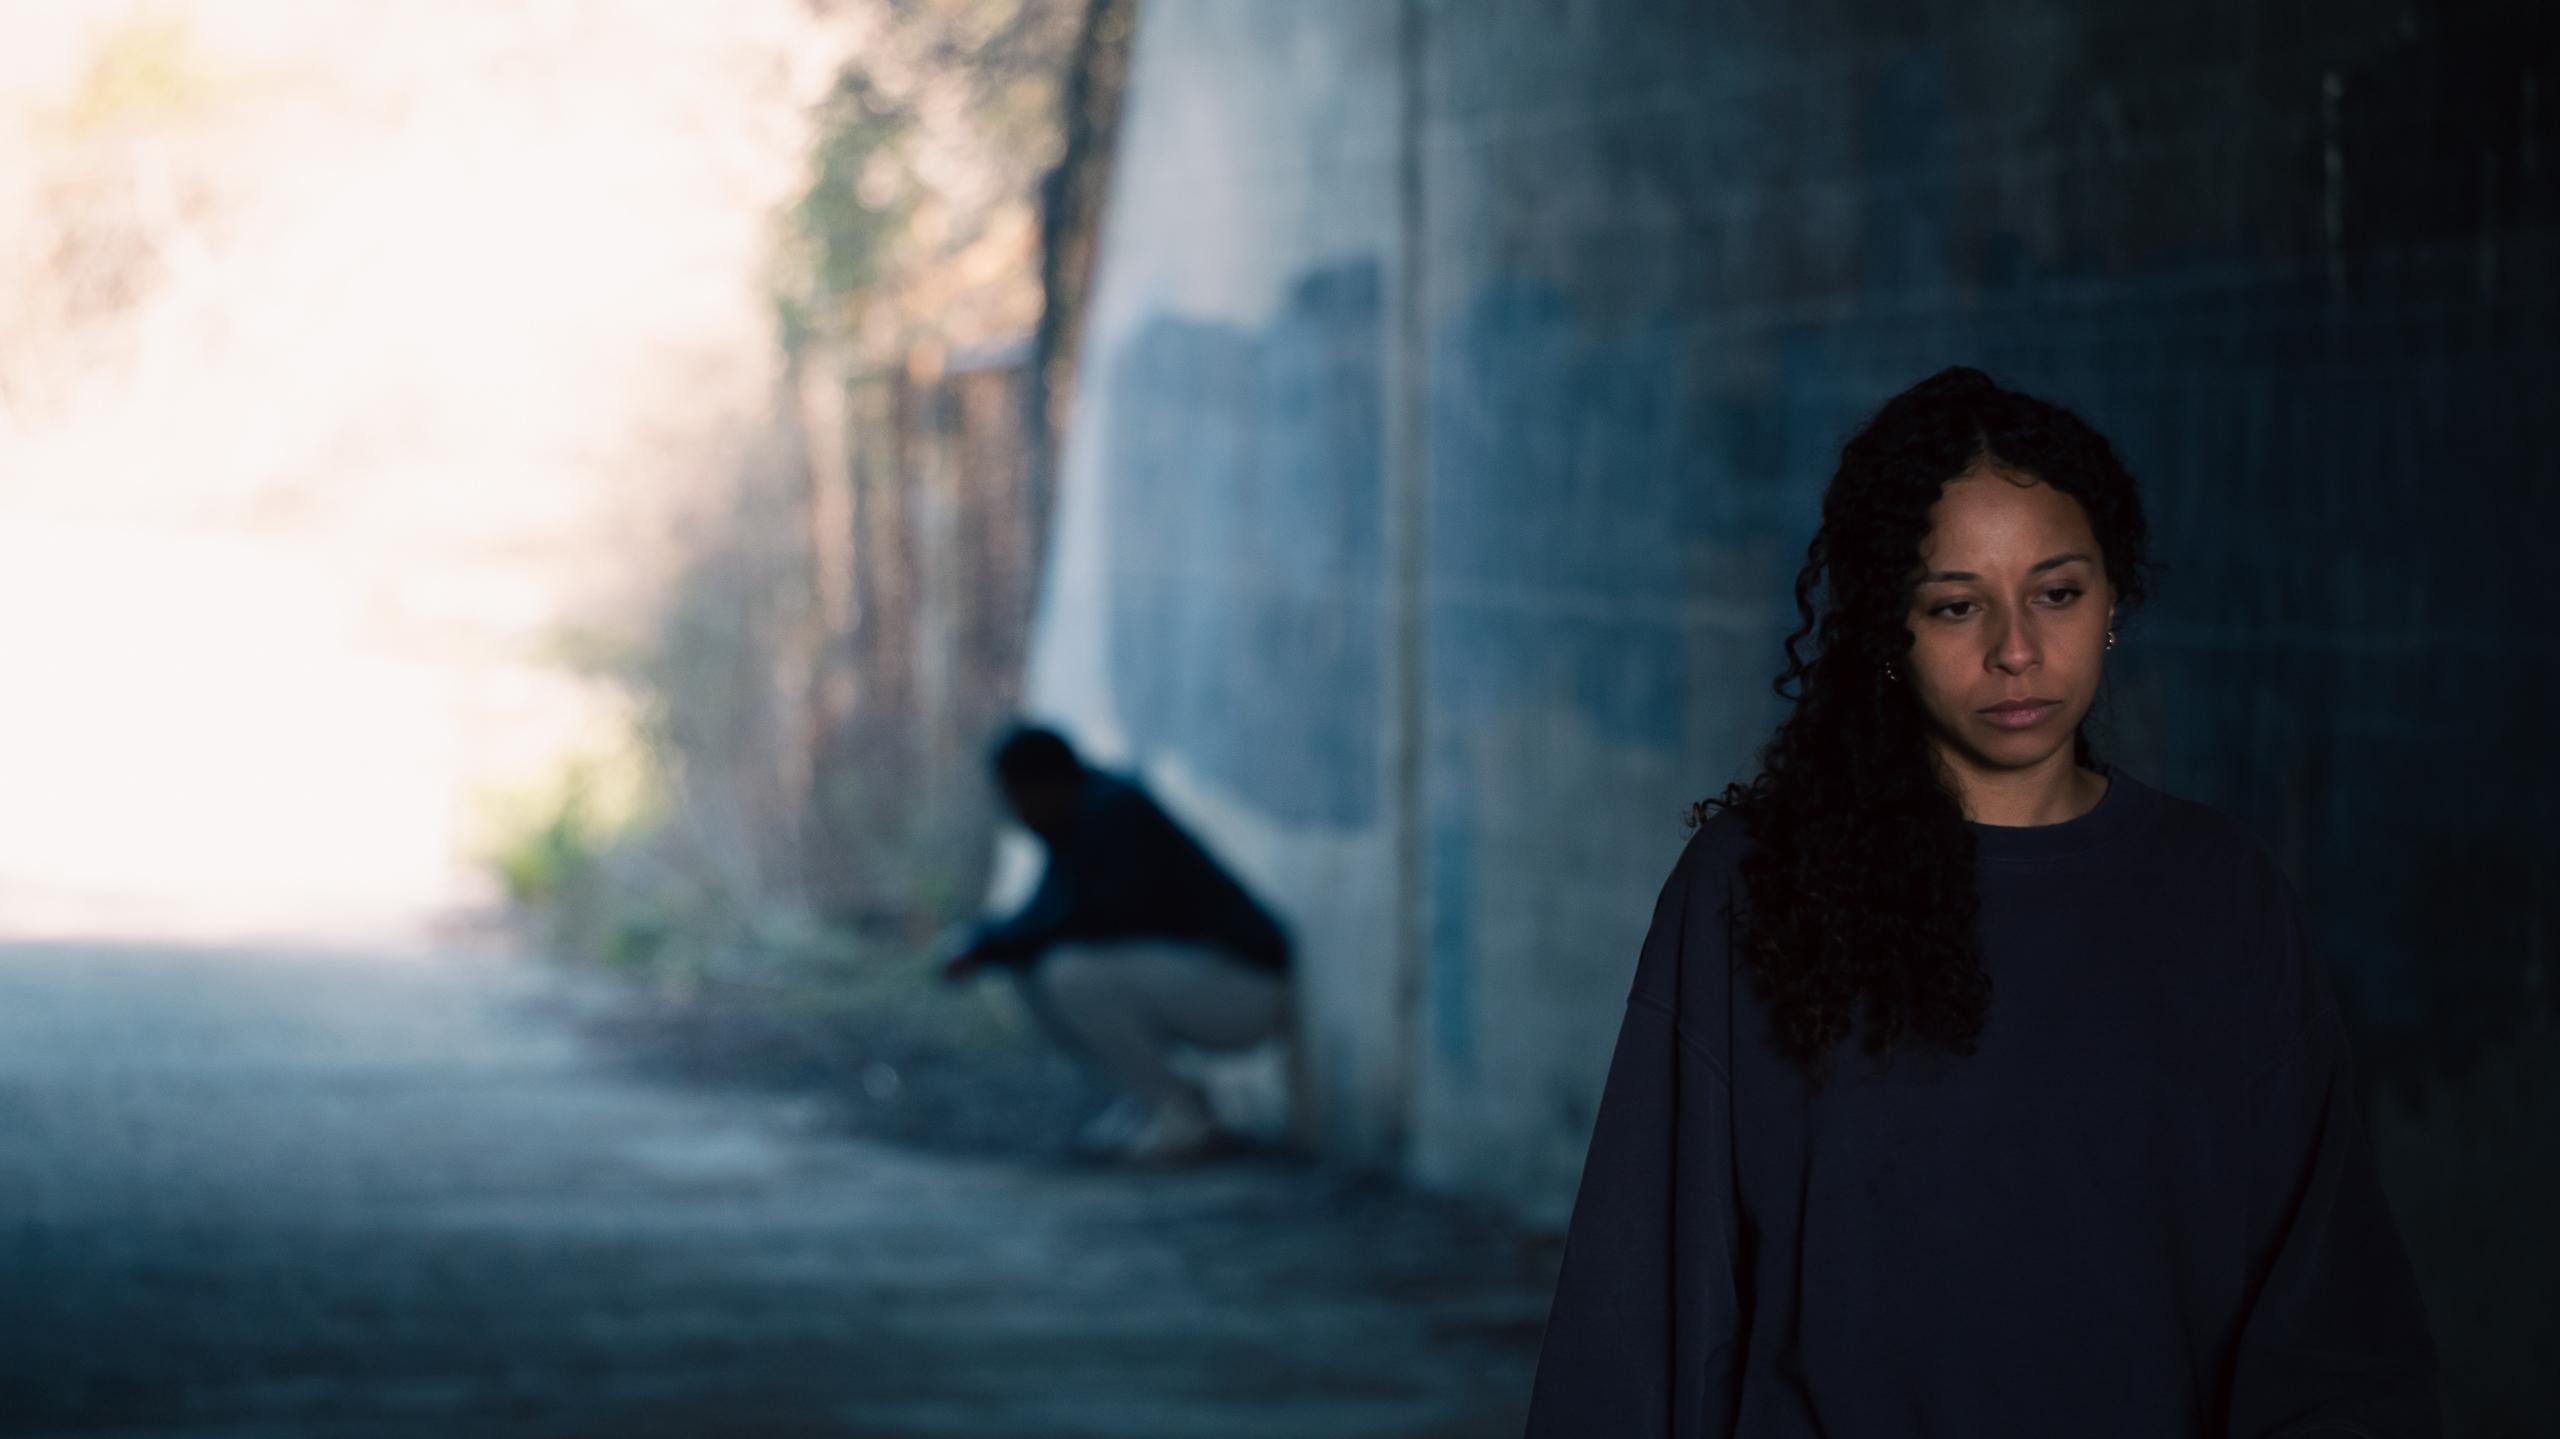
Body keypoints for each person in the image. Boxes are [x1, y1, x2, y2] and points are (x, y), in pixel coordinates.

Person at [1522, 366, 2441, 1436]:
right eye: (1955, 605)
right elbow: (1639, 1316)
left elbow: (2328, 1321)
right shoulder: (1757, 888)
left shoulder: (2218, 895)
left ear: (2113, 599)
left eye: (2056, 591)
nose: (2015, 648)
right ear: (1885, 629)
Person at [938, 722, 1295, 1164]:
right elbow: (1046, 914)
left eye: (1017, 797)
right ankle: (1151, 1103)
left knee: (1069, 973)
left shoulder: (1114, 814)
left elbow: (1092, 919)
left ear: (1044, 785)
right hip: (1202, 982)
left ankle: (1184, 1114)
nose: (1016, 813)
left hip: (1248, 990)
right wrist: (983, 942)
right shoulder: (1078, 820)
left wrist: (990, 945)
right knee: (1037, 969)